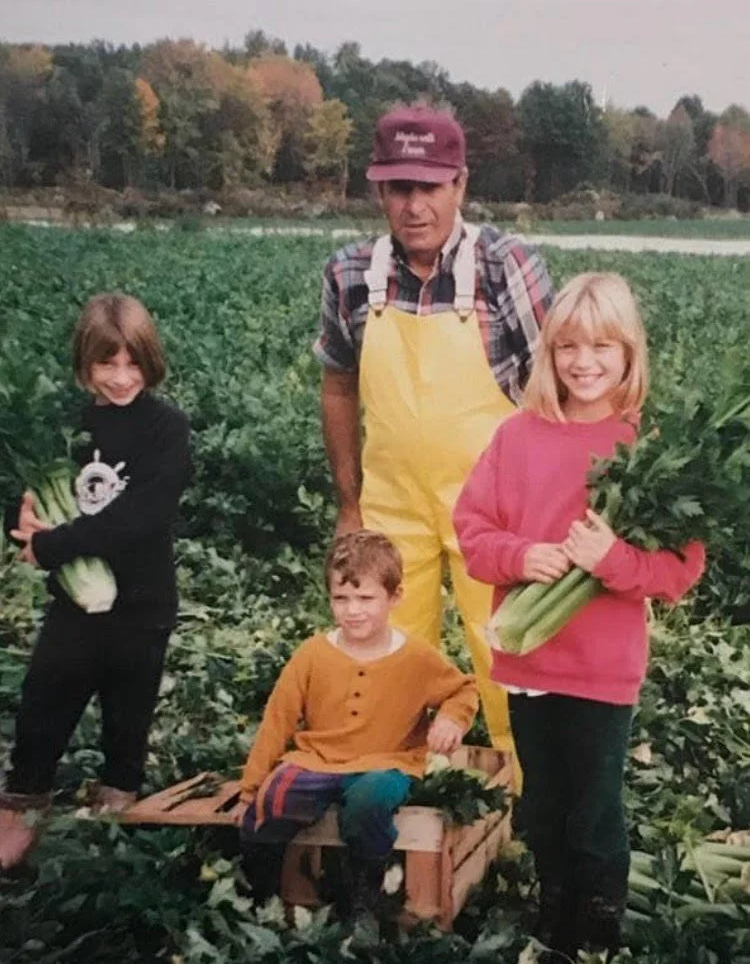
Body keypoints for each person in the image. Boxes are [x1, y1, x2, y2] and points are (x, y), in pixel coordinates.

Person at [453, 272, 705, 957]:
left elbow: (681, 569)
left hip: (601, 669)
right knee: (543, 803)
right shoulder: (519, 436)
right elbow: (471, 528)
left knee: (595, 808)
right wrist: (519, 555)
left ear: (630, 354)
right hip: (529, 663)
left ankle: (597, 924)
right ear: (547, 353)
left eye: (602, 346)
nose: (584, 361)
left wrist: (612, 559)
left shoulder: (649, 446)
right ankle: (554, 903)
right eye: (567, 345)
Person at [315, 104, 553, 757]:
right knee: (388, 660)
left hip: (497, 513)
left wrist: (553, 511)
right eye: (399, 188)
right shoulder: (351, 275)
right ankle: (399, 797)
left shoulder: (510, 268)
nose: (415, 206)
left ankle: (522, 802)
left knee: (509, 656)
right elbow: (338, 383)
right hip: (393, 509)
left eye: (430, 187)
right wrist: (349, 505)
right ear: (379, 191)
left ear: (460, 185)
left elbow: (553, 394)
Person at [0, 293, 191, 870]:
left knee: (127, 715)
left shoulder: (167, 428)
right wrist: (24, 521)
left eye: (133, 364)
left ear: (150, 362)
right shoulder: (67, 425)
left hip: (144, 602)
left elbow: (143, 517)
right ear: (85, 365)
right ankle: (19, 810)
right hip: (72, 603)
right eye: (106, 364)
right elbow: (25, 494)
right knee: (44, 700)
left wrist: (54, 544)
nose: (120, 377)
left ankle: (114, 812)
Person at [234, 529, 478, 917]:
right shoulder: (312, 655)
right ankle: (258, 899)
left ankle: (365, 895)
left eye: (366, 598)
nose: (353, 610)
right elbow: (277, 720)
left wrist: (451, 718)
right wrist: (250, 790)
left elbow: (463, 690)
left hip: (387, 761)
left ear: (394, 597)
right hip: (318, 759)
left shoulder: (416, 657)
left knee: (369, 802)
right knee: (273, 799)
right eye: (341, 599)